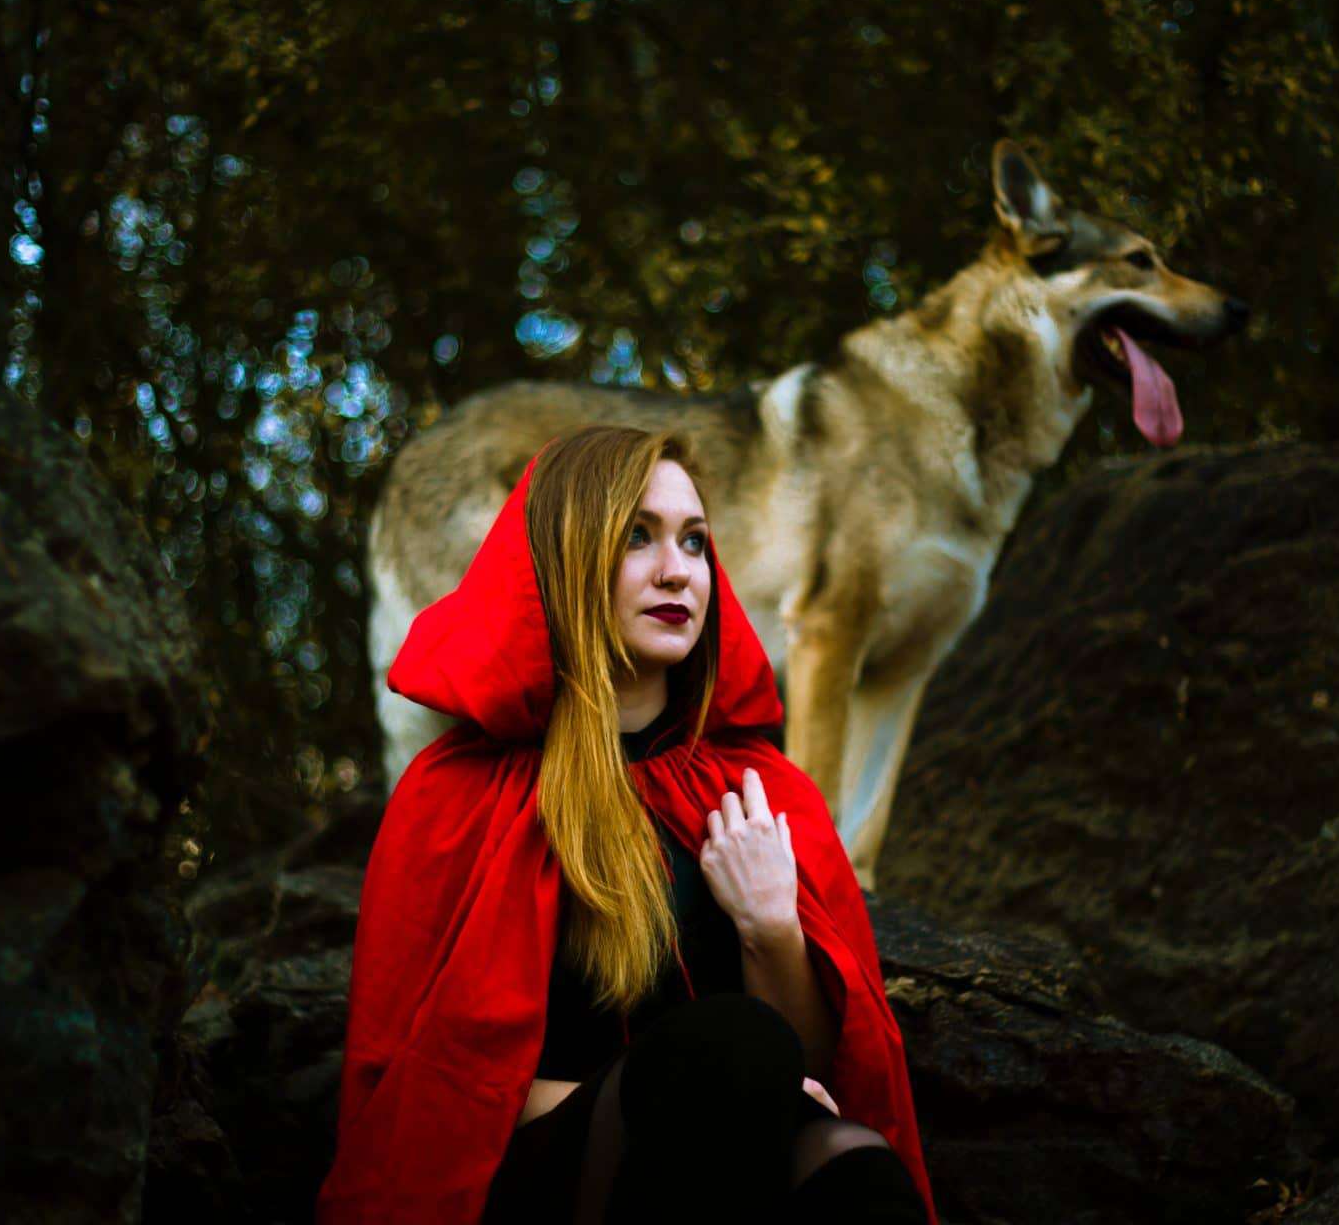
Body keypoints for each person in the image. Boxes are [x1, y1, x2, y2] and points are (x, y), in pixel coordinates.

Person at [317, 426, 935, 1225]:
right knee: (724, 1052)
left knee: (857, 1170)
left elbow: (819, 1064)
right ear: (569, 559)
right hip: (534, 1173)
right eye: (636, 538)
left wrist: (770, 926)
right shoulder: (458, 794)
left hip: (729, 1160)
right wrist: (693, 1086)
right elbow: (420, 1082)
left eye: (695, 541)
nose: (677, 570)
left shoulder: (759, 789)